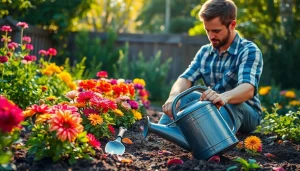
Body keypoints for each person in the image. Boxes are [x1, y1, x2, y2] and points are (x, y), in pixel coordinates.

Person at [159, 0, 263, 133]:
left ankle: (213, 140)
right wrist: (173, 96)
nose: (211, 36)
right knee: (185, 96)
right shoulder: (205, 52)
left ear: (232, 25)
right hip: (214, 108)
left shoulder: (248, 50)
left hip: (247, 114)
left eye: (216, 31)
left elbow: (248, 89)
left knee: (233, 105)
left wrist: (224, 97)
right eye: (207, 30)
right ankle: (161, 134)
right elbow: (185, 79)